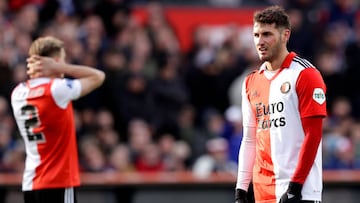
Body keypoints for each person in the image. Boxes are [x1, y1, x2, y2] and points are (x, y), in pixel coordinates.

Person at [235, 5, 327, 203]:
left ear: (286, 35)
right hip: (263, 193)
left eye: (267, 34)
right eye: (256, 35)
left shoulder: (305, 74)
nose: (260, 41)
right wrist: (241, 189)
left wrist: (295, 187)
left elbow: (314, 135)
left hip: (301, 192)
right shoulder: (251, 81)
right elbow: (249, 139)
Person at [11, 36, 105, 203]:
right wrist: (60, 67)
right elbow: (98, 76)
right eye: (62, 60)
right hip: (58, 181)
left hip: (31, 183)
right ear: (54, 61)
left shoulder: (18, 92)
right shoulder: (57, 89)